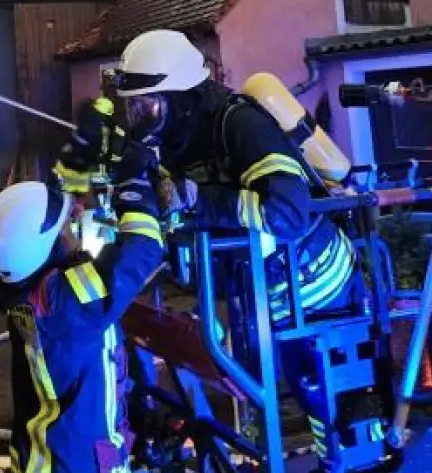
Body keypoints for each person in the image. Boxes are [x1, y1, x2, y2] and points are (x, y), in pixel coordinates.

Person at [110, 29, 357, 321]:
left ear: (178, 98)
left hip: (316, 289)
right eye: (133, 109)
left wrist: (198, 200)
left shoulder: (240, 125)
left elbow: (287, 214)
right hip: (259, 299)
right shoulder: (181, 141)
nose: (140, 122)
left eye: (147, 107)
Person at [0, 135, 165, 473]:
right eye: (66, 225)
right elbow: (143, 250)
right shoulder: (68, 304)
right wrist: (134, 188)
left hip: (44, 461)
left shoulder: (26, 293)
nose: (75, 218)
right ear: (44, 249)